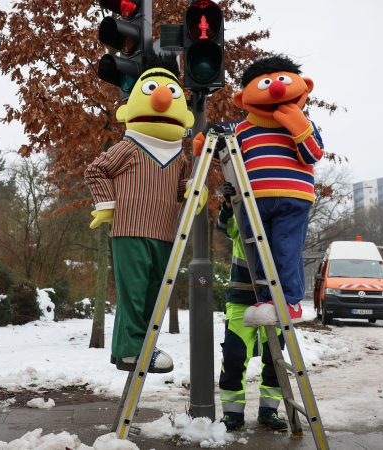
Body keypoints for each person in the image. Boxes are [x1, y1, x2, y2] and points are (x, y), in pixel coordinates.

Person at [85, 57, 206, 373]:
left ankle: (132, 348)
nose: (163, 98)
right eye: (153, 90)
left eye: (170, 92)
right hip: (131, 229)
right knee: (134, 292)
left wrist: (194, 190)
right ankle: (131, 350)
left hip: (165, 233)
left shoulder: (178, 155)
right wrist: (106, 204)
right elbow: (96, 170)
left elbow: (180, 187)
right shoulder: (130, 146)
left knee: (156, 293)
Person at [196, 54, 324, 326]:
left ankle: (290, 301)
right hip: (254, 201)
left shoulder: (305, 125)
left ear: (305, 86)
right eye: (266, 83)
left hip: (294, 198)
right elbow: (228, 153)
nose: (276, 88)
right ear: (243, 99)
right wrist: (205, 142)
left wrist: (298, 125)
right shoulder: (243, 129)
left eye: (282, 81)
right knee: (257, 252)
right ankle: (267, 299)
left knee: (286, 249)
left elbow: (312, 155)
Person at [216, 182, 287, 432]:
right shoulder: (244, 218)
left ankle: (269, 412)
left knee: (274, 360)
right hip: (240, 298)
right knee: (234, 357)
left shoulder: (281, 226)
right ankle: (232, 415)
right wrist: (228, 204)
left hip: (273, 300)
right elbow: (224, 226)